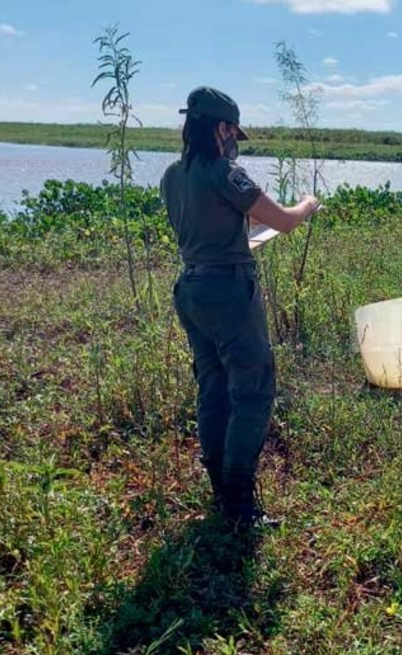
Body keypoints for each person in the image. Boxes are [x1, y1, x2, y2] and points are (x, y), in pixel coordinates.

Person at [160, 86, 320, 528]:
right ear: (222, 127)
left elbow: (209, 221)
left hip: (191, 290)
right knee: (252, 393)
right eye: (233, 131)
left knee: (212, 389)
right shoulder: (228, 174)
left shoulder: (173, 175)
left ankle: (220, 492)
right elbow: (285, 221)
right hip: (230, 293)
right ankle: (239, 506)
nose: (234, 141)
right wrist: (307, 205)